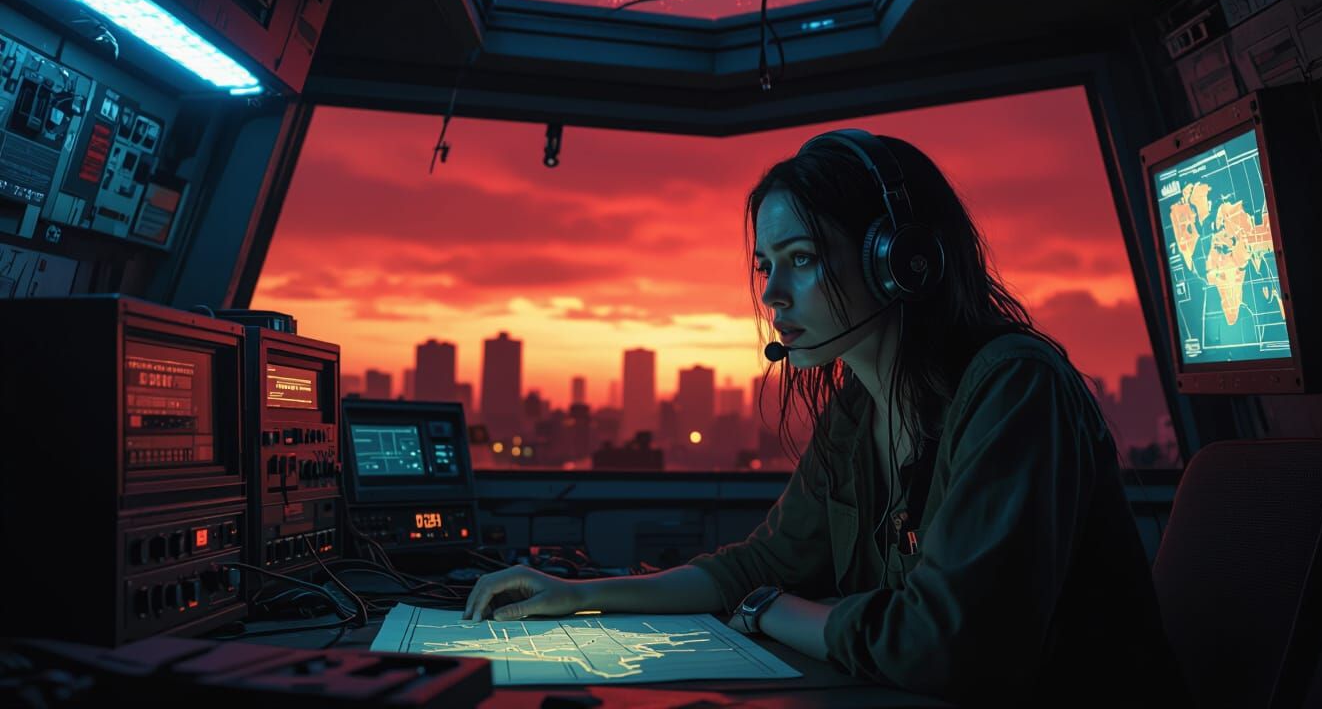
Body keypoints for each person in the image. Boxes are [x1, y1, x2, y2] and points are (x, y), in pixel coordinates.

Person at [462, 130, 1186, 706]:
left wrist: (773, 609)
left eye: (801, 259)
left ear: (898, 263)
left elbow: (943, 646)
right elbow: (757, 565)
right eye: (764, 265)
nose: (773, 293)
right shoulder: (858, 409)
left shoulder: (1014, 390)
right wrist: (578, 597)